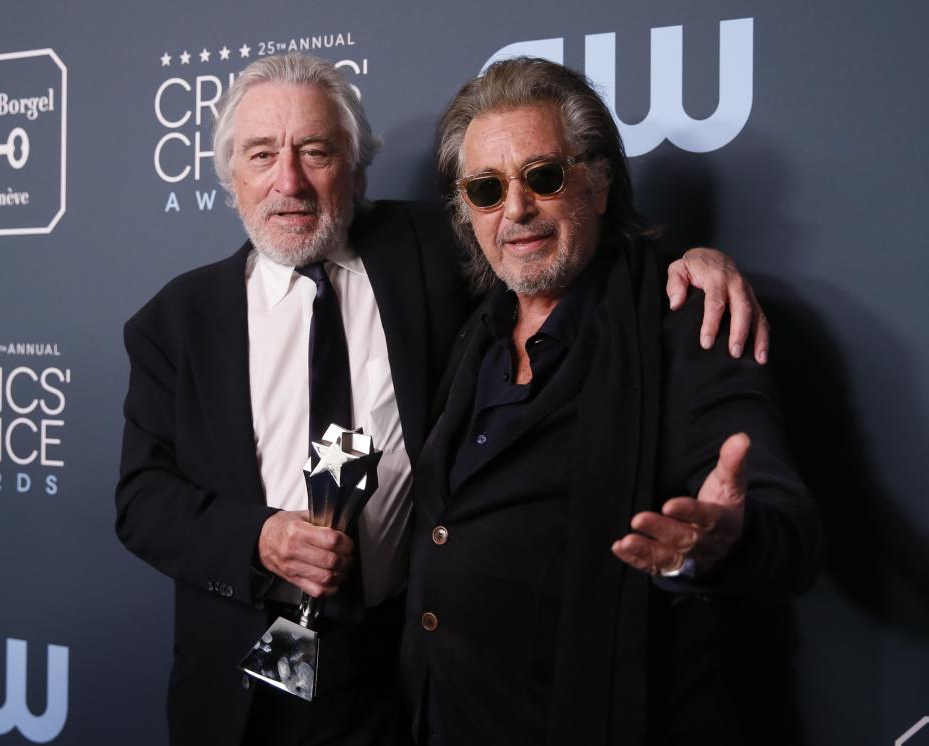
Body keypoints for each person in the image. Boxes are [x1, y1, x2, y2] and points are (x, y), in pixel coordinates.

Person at [116, 53, 771, 746]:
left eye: (315, 150)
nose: (290, 182)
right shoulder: (174, 323)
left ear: (357, 165)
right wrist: (258, 539)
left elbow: (555, 250)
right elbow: (142, 499)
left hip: (400, 673)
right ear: (230, 177)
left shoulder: (431, 248)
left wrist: (691, 266)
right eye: (261, 154)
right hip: (243, 682)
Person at [401, 57, 822, 746]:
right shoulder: (472, 336)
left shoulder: (688, 322)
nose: (515, 210)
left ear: (596, 184)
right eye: (485, 189)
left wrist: (721, 542)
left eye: (543, 176)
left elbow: (788, 532)